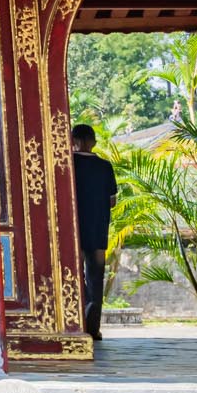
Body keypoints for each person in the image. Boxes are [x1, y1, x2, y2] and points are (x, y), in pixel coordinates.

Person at [71, 123, 118, 340]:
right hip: (98, 229)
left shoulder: (67, 165)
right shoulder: (105, 166)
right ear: (93, 142)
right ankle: (93, 327)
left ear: (73, 141)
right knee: (95, 277)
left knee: (74, 276)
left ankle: (73, 324)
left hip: (73, 230)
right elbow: (112, 202)